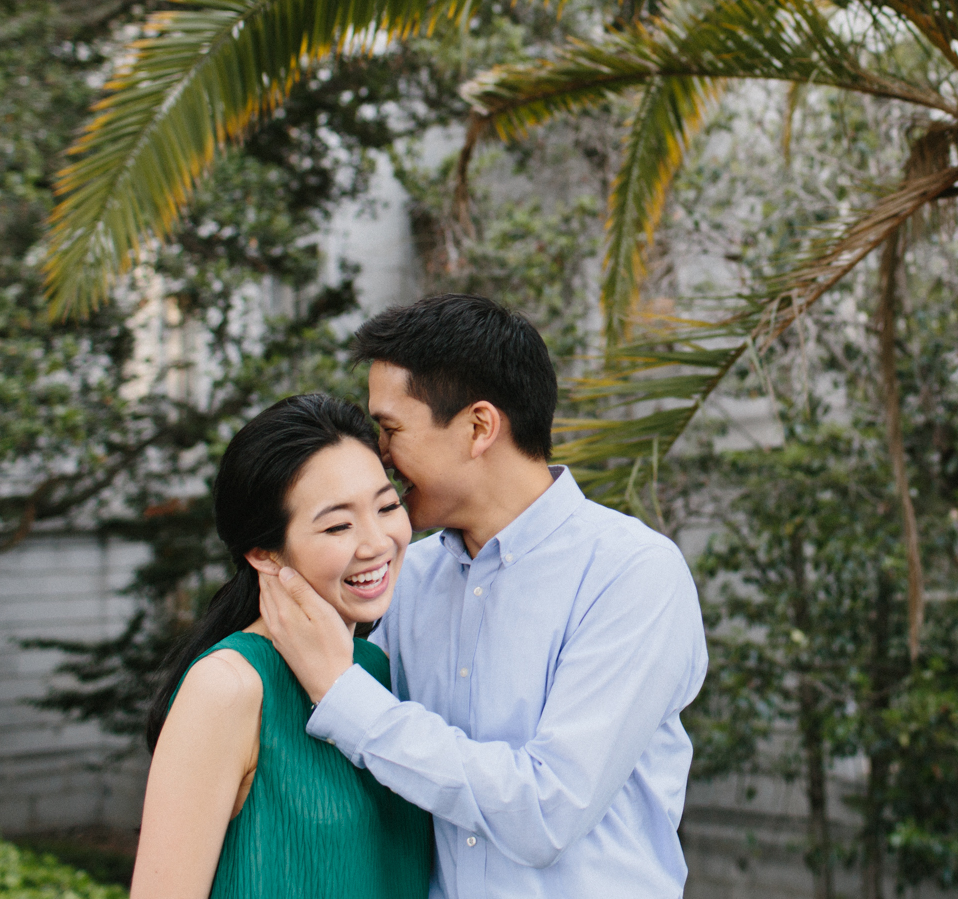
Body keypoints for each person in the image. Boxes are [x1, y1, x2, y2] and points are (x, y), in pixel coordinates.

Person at [256, 294, 708, 898]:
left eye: (390, 431)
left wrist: (348, 700)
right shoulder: (403, 577)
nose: (378, 459)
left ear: (478, 427)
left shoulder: (631, 574)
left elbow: (547, 812)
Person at [130, 394, 435, 899]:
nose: (377, 541)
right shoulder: (228, 686)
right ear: (263, 552)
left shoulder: (378, 670)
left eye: (387, 506)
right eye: (338, 524)